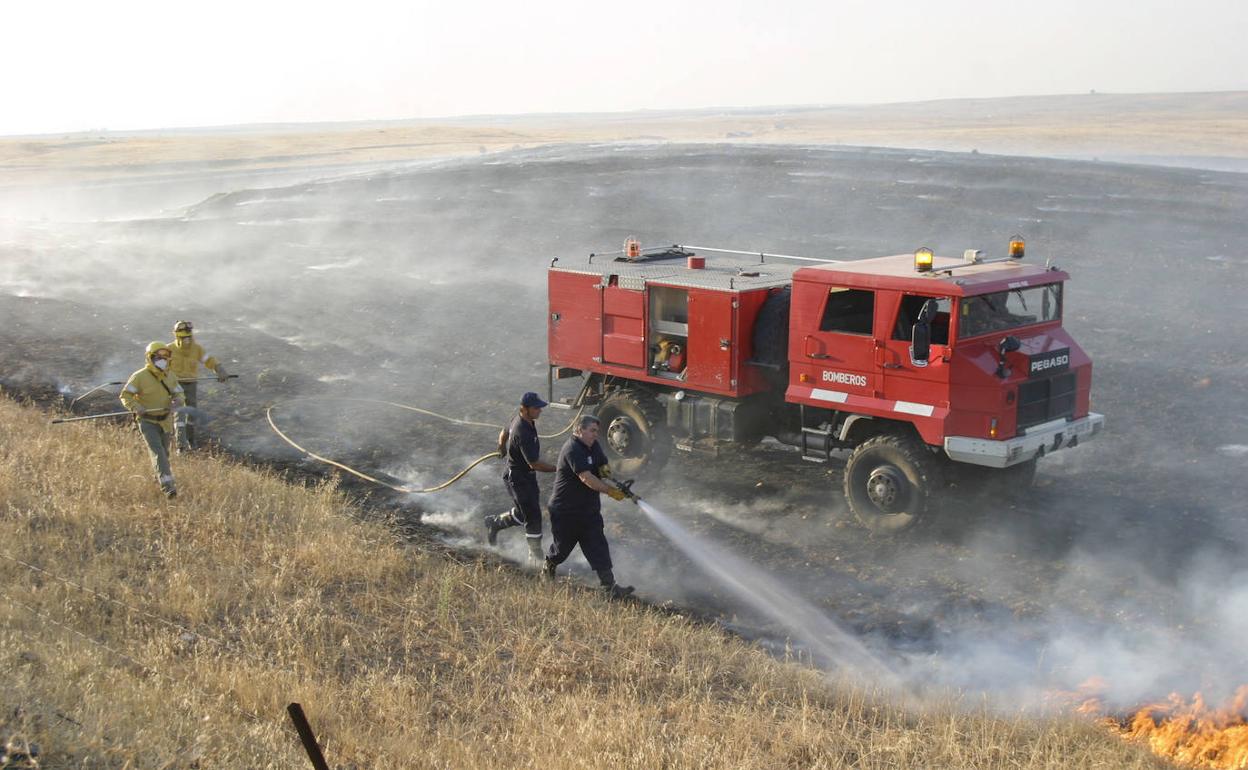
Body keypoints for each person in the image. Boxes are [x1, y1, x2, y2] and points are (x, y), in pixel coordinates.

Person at [543, 414, 635, 598]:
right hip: (566, 510)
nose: (595, 435)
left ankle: (609, 588)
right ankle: (548, 566)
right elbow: (586, 478)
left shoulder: (593, 446)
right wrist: (610, 491)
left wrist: (606, 469)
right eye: (592, 430)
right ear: (579, 430)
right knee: (562, 549)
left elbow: (601, 464)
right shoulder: (572, 449)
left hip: (588, 510)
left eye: (596, 431)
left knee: (598, 546)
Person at [484, 392, 557, 563]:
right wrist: (558, 469)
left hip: (526, 477)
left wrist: (501, 446)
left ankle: (495, 523)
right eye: (536, 408)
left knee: (525, 514)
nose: (540, 410)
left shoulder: (521, 419)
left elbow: (504, 432)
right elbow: (535, 464)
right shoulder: (522, 431)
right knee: (532, 516)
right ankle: (536, 558)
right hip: (517, 478)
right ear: (524, 409)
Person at [120, 341, 185, 498]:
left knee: (164, 454)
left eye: (165, 358)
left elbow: (179, 394)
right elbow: (125, 396)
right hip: (147, 421)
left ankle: (159, 477)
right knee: (158, 453)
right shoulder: (139, 377)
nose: (162, 361)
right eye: (158, 358)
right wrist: (136, 407)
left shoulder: (170, 376)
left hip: (165, 421)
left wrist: (177, 401)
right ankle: (169, 488)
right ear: (150, 358)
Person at [168, 320, 228, 451]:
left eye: (188, 337)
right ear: (177, 336)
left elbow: (209, 360)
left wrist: (219, 369)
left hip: (191, 385)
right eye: (183, 337)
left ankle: (190, 440)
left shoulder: (197, 349)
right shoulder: (169, 350)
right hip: (175, 386)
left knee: (191, 414)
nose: (186, 340)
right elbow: (159, 367)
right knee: (180, 414)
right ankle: (181, 446)